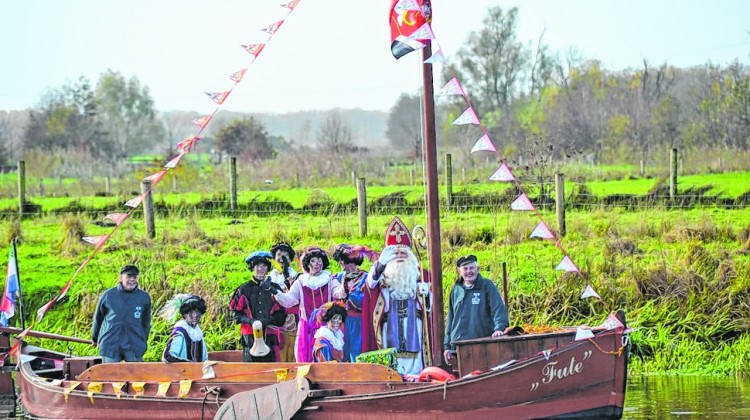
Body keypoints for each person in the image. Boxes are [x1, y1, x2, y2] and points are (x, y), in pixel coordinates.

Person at [367, 217, 431, 376]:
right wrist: (380, 264)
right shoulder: (382, 274)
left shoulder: (421, 275)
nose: (400, 256)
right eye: (395, 254)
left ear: (410, 256)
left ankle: (417, 377)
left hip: (415, 325)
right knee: (393, 359)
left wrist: (427, 294)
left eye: (403, 252)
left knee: (415, 360)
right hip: (390, 325)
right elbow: (370, 285)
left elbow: (432, 309)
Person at [273, 246, 343, 363]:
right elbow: (290, 300)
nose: (317, 264)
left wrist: (344, 283)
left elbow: (338, 293)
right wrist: (275, 292)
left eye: (319, 260)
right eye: (313, 261)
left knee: (326, 357)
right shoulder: (301, 282)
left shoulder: (329, 279)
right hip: (307, 328)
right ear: (307, 264)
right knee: (306, 358)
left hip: (327, 326)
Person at [443, 255, 509, 364]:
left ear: (477, 269)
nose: (469, 271)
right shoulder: (456, 289)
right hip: (459, 346)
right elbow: (450, 319)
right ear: (459, 272)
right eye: (465, 269)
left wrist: (499, 328)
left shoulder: (487, 286)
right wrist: (447, 346)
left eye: (471, 268)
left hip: (481, 344)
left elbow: (498, 309)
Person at [228, 251, 286, 362]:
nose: (261, 269)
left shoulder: (274, 288)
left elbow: (282, 312)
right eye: (258, 266)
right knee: (251, 371)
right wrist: (250, 321)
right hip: (249, 336)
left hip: (270, 335)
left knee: (272, 370)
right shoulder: (243, 289)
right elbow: (234, 313)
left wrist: (268, 320)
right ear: (252, 268)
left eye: (264, 266)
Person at [92, 264, 152, 363]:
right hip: (111, 343)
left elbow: (146, 322)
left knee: (137, 376)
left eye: (135, 277)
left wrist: (143, 340)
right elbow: (98, 318)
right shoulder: (108, 295)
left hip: (134, 344)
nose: (132, 279)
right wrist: (95, 338)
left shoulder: (144, 297)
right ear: (121, 278)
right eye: (129, 276)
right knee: (110, 376)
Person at [331, 244, 379, 362]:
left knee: (357, 352)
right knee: (341, 351)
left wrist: (349, 295)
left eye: (346, 263)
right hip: (341, 321)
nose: (343, 267)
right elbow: (335, 295)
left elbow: (364, 301)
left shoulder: (366, 278)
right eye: (341, 263)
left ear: (354, 262)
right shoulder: (338, 277)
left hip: (358, 322)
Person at [268, 241, 299, 363]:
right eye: (279, 255)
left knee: (290, 342)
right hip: (276, 315)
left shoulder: (295, 276)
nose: (281, 258)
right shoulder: (272, 275)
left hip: (291, 315)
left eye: (285, 255)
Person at [160, 294, 209, 363]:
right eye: (191, 313)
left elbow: (204, 358)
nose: (195, 316)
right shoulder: (181, 332)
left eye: (198, 312)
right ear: (185, 314)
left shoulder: (198, 333)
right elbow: (168, 356)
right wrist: (188, 364)